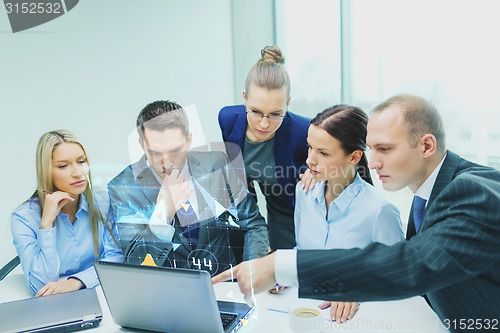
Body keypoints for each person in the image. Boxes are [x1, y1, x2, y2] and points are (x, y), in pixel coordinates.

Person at [213, 94, 500, 329]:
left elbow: (411, 263)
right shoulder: (427, 195)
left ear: (426, 145)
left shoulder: (469, 191)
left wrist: (281, 266)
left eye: (384, 149)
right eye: (372, 149)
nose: (373, 163)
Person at [108, 100, 269, 276]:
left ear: (189, 140)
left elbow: (254, 224)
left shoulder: (217, 165)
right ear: (142, 146)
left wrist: (253, 273)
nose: (166, 163)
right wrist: (163, 213)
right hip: (168, 294)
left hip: (225, 288)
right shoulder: (123, 188)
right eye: (155, 153)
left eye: (175, 151)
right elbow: (136, 263)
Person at [294, 105, 404, 322]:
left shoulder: (379, 211)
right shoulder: (304, 192)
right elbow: (302, 251)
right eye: (310, 148)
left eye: (323, 153)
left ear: (354, 158)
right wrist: (278, 271)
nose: (310, 160)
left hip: (355, 321)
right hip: (303, 309)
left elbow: (400, 275)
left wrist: (357, 288)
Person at [219, 46, 311, 251]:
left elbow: (331, 158)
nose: (264, 124)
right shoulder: (227, 120)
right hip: (267, 198)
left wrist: (313, 172)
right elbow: (239, 172)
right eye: (256, 112)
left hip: (295, 205)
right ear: (244, 98)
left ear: (288, 103)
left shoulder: (303, 129)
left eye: (276, 114)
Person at [11, 130, 123, 296]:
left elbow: (116, 259)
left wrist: (76, 282)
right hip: (53, 303)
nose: (78, 172)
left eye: (81, 161)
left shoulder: (103, 201)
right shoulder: (24, 218)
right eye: (63, 166)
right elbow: (40, 285)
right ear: (46, 171)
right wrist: (46, 223)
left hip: (101, 292)